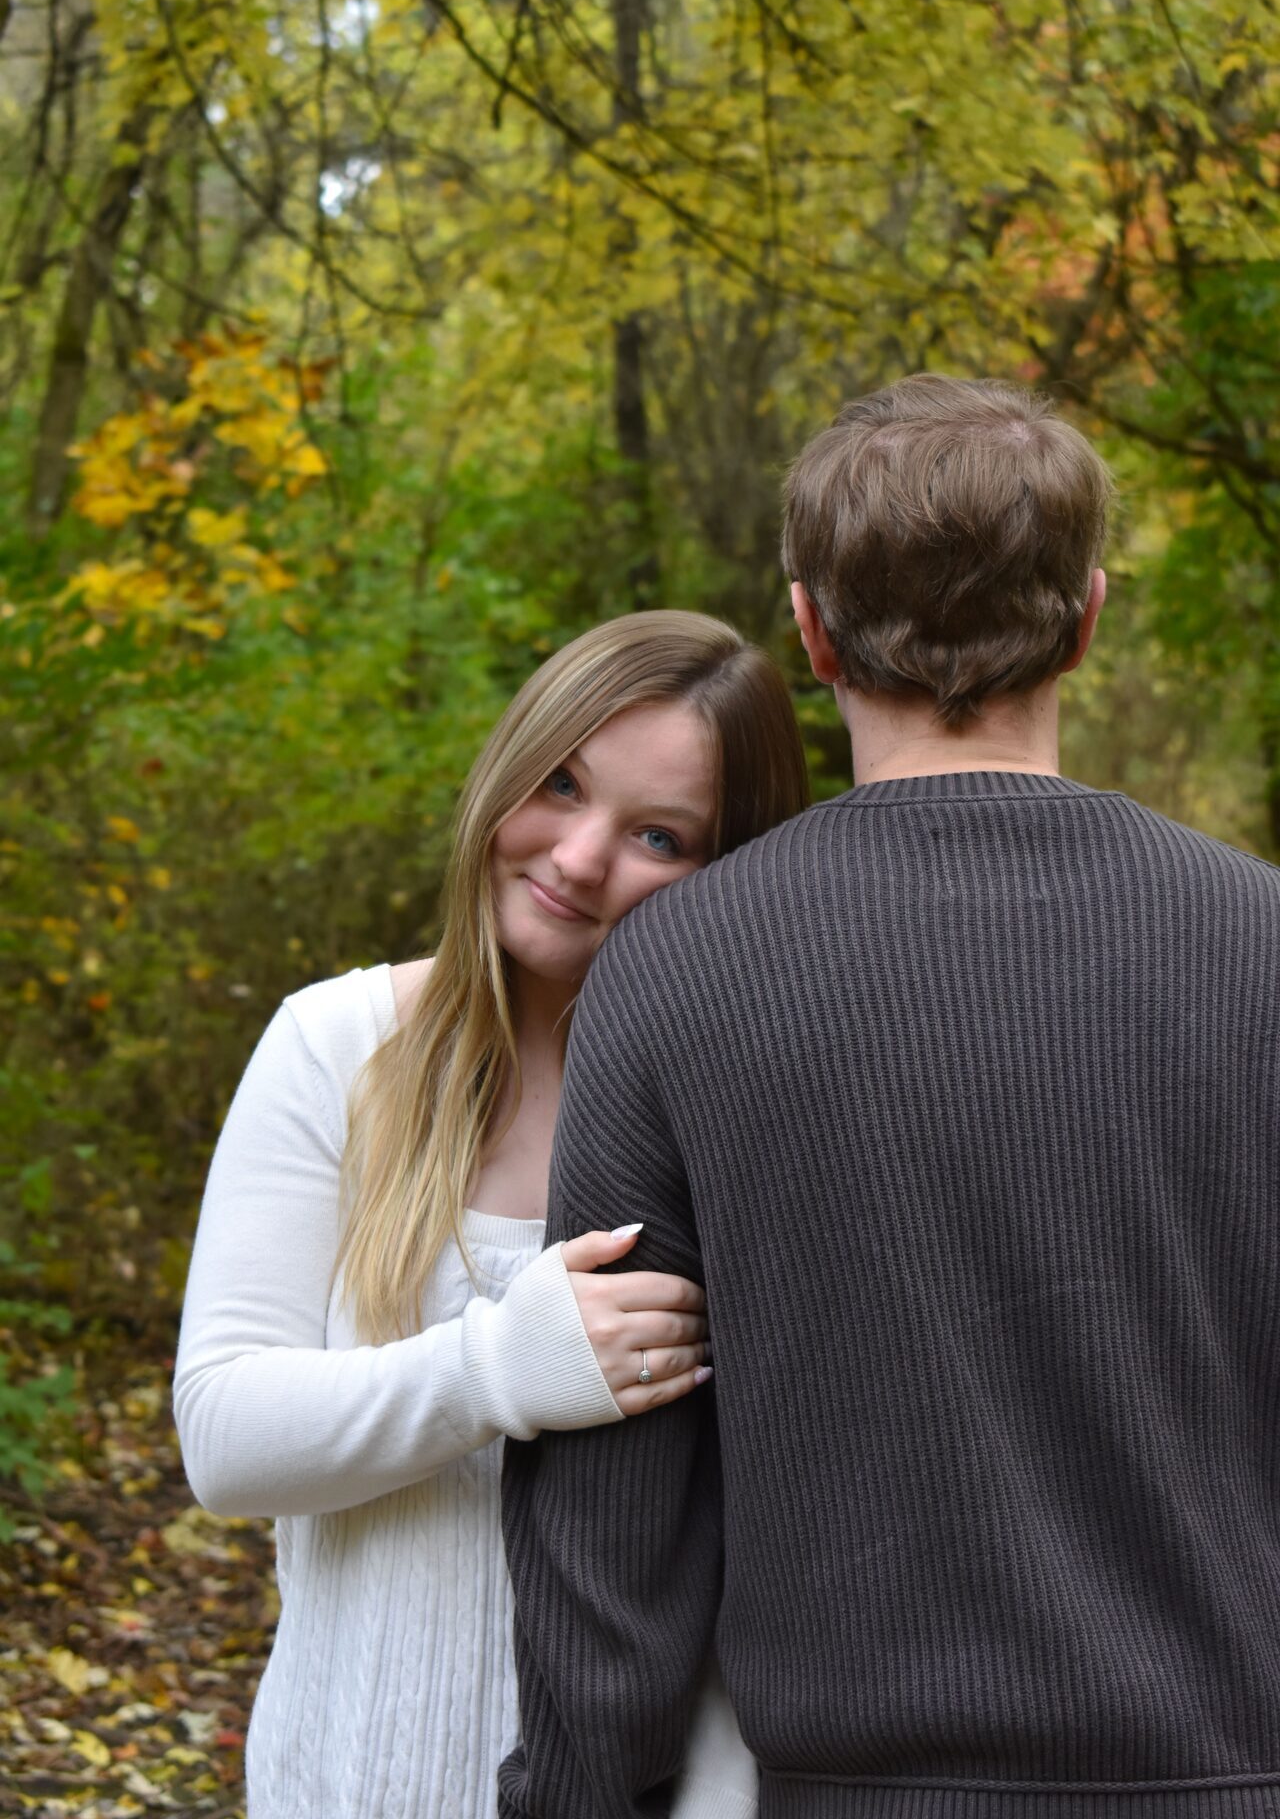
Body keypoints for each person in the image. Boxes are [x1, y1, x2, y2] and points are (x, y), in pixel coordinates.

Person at [498, 375, 1280, 1819]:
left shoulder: (675, 967)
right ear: (1087, 618)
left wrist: (573, 1798)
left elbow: (617, 1483)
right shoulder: (1264, 946)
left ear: (810, 631)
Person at [172, 610, 809, 1819]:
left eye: (658, 836)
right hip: (348, 1778)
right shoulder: (339, 1046)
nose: (578, 857)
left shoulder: (743, 1111)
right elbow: (225, 1438)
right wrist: (494, 1370)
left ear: (723, 872)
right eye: (561, 783)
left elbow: (769, 1533)